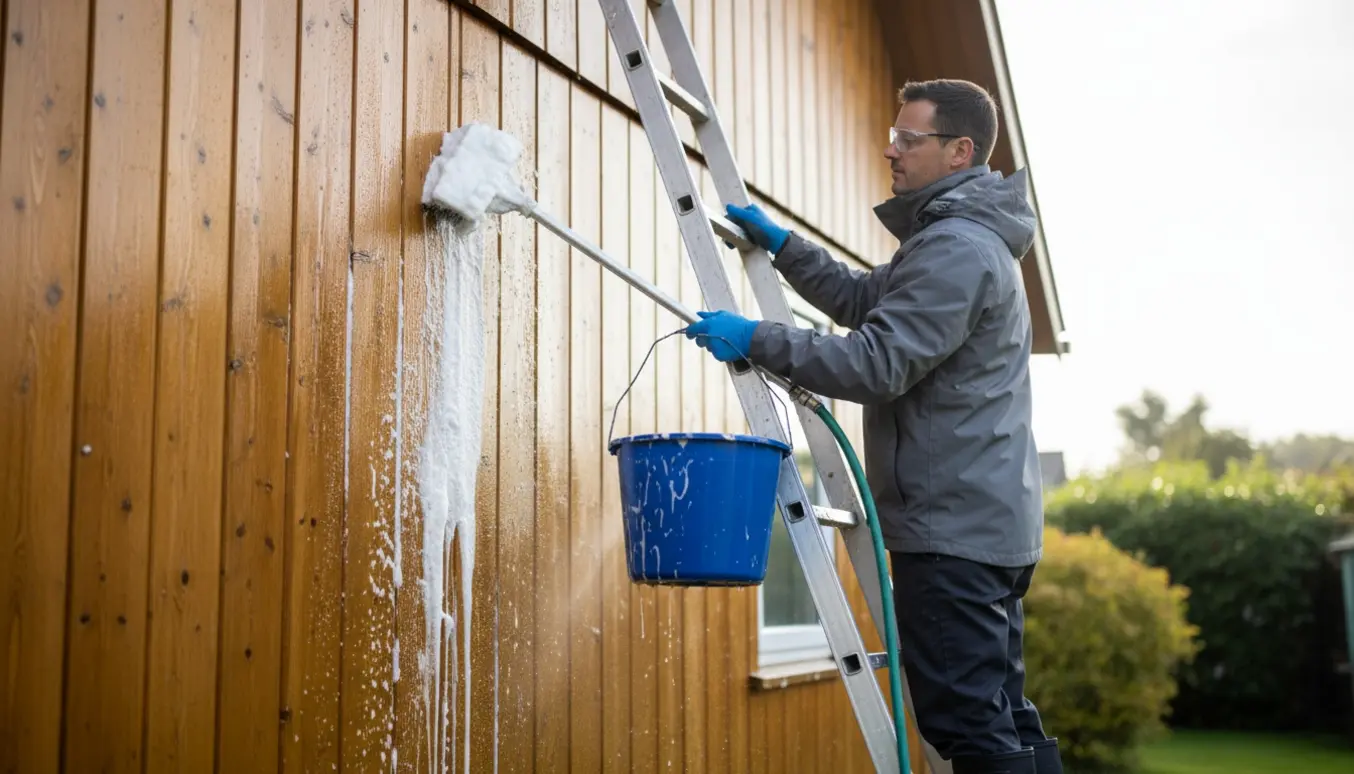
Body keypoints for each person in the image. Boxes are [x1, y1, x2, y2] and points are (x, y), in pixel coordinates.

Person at [685, 78, 1063, 774]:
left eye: (907, 140)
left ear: (959, 152)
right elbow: (867, 300)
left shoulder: (957, 249)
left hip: (952, 528)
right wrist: (787, 248)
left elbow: (875, 362)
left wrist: (755, 337)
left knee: (967, 727)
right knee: (1001, 716)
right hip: (982, 524)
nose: (890, 150)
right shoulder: (956, 240)